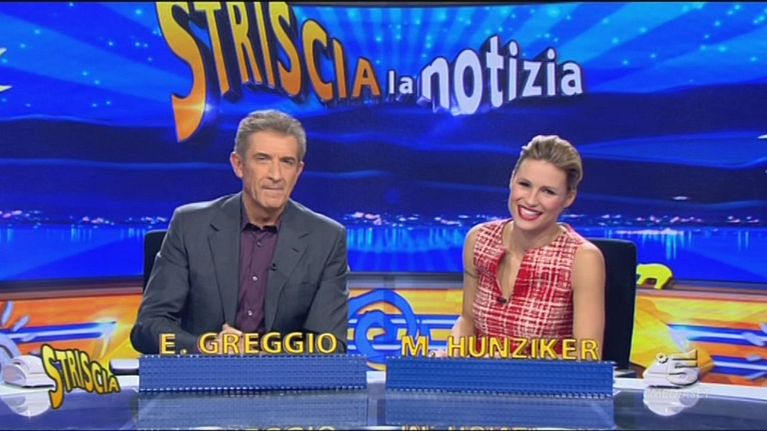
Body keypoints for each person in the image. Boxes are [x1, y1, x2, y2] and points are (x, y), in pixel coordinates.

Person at [131, 110, 350, 354]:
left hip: (282, 377)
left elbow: (331, 344)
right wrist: (207, 347)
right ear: (238, 164)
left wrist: (258, 357)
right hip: (202, 373)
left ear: (298, 171)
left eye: (287, 162)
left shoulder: (327, 238)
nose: (276, 175)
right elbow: (148, 328)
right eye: (263, 159)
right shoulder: (190, 226)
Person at [450, 135, 605, 358]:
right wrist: (453, 358)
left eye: (548, 191)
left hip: (549, 380)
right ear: (511, 180)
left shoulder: (582, 258)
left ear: (568, 198)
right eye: (524, 185)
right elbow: (468, 320)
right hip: (480, 376)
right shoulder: (479, 239)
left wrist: (513, 367)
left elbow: (587, 356)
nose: (531, 200)